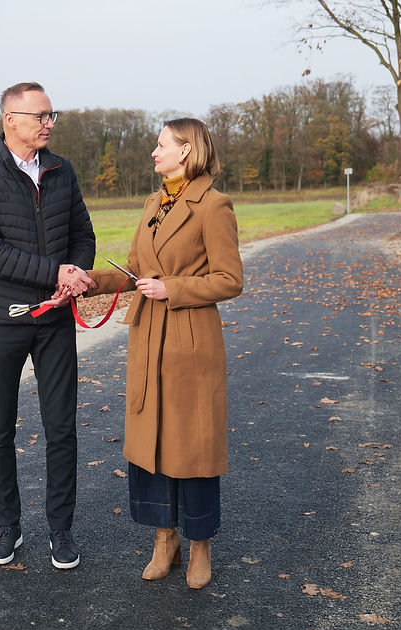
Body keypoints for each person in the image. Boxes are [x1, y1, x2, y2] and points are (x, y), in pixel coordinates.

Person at [85, 118, 243, 589]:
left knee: (191, 447)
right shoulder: (154, 202)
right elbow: (135, 271)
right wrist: (88, 281)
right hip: (148, 337)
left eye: (160, 146)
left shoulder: (214, 205)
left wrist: (172, 287)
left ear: (187, 149)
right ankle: (163, 540)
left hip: (190, 339)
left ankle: (199, 547)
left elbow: (230, 279)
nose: (153, 153)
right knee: (152, 443)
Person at [0, 82, 96, 569]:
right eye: (40, 115)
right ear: (10, 120)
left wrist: (75, 275)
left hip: (56, 319)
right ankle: (8, 528)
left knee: (62, 428)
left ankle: (61, 530)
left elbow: (82, 233)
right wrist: (51, 273)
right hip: (1, 320)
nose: (49, 123)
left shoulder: (62, 170)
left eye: (52, 114)